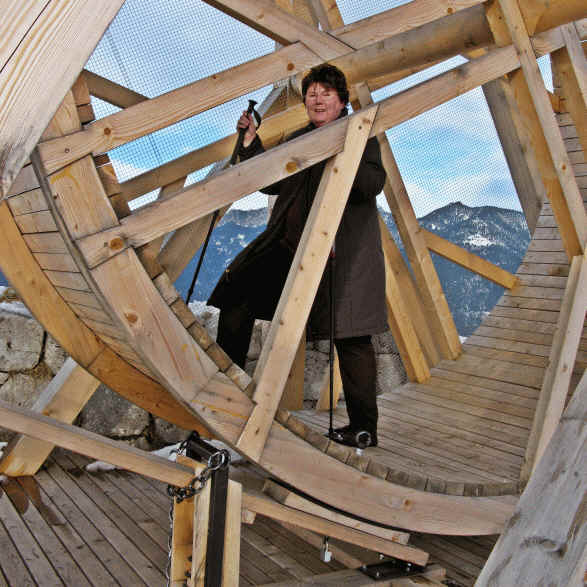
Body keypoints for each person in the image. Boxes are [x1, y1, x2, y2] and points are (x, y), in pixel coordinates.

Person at [208, 64, 387, 447]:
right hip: (289, 252)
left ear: (342, 101)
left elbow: (372, 183)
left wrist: (337, 155)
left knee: (352, 337)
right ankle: (229, 403)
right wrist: (252, 143)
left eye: (326, 92)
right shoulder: (299, 137)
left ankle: (363, 428)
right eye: (311, 92)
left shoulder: (360, 135)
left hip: (342, 255)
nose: (317, 98)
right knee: (237, 298)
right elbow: (272, 179)